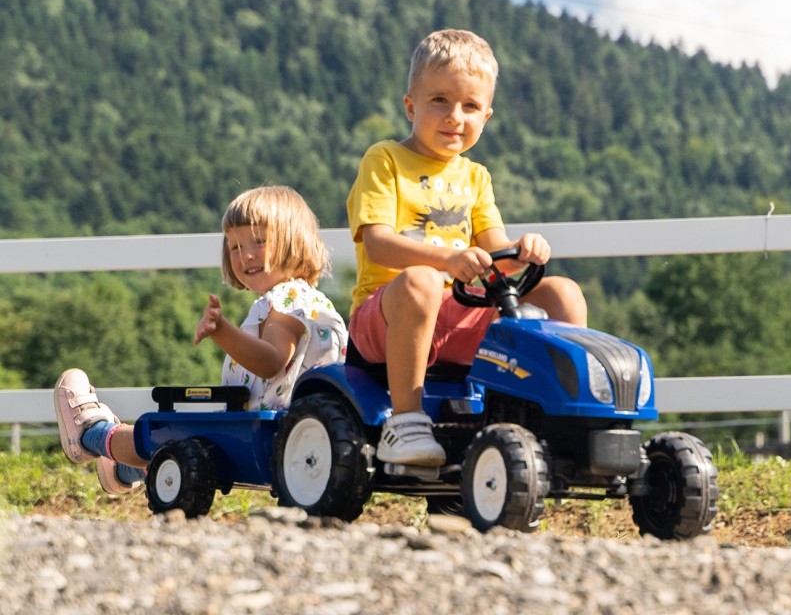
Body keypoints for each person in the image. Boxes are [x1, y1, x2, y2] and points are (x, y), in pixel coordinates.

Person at [347, 28, 588, 467]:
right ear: (410, 106)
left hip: (457, 312)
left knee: (562, 292)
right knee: (420, 280)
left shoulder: (476, 177)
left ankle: (562, 420)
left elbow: (499, 255)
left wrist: (524, 249)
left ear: (486, 117)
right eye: (439, 100)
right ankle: (406, 422)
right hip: (386, 316)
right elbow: (380, 245)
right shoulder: (385, 160)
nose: (454, 116)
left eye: (470, 106)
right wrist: (448, 259)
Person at [54, 185, 347, 494]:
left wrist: (222, 331)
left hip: (263, 431)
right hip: (293, 431)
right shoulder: (309, 301)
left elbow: (271, 360)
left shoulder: (289, 298)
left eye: (259, 241)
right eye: (234, 246)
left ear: (294, 242)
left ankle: (91, 434)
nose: (245, 254)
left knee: (166, 433)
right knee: (185, 448)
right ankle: (125, 471)